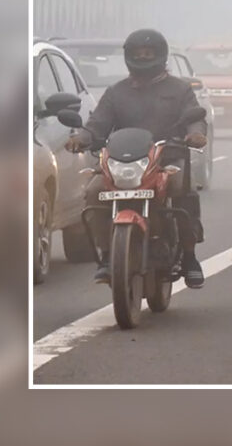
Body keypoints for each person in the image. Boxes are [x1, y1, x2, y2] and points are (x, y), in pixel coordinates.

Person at [66, 29, 208, 288]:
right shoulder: (115, 93)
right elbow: (97, 124)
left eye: (148, 54)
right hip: (125, 164)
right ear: (129, 57)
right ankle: (108, 256)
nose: (143, 58)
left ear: (160, 56)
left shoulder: (179, 90)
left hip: (168, 160)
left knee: (182, 189)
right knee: (94, 192)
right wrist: (82, 138)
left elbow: (194, 117)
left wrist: (196, 134)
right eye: (138, 54)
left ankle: (189, 257)